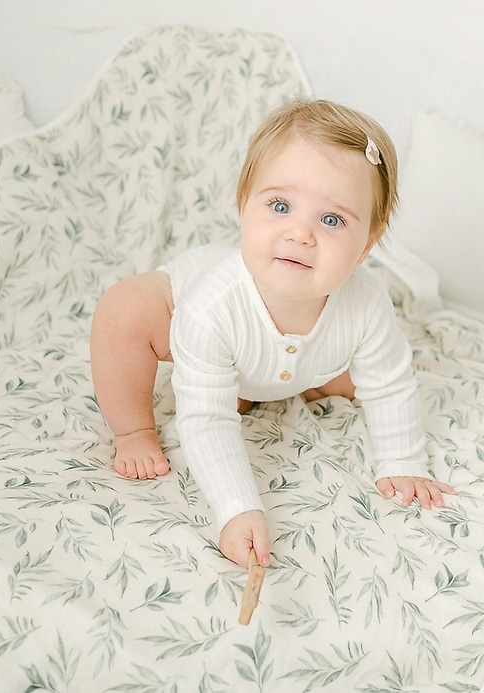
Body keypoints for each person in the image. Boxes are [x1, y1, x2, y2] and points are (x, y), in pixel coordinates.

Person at [90, 98, 456, 569]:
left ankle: (277, 386)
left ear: (367, 242)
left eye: (332, 220)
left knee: (363, 379)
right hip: (188, 326)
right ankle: (134, 429)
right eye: (280, 206)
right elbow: (206, 419)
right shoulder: (209, 307)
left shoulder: (366, 303)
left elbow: (391, 385)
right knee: (124, 310)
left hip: (284, 364)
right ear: (244, 205)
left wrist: (403, 464)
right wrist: (237, 509)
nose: (300, 234)